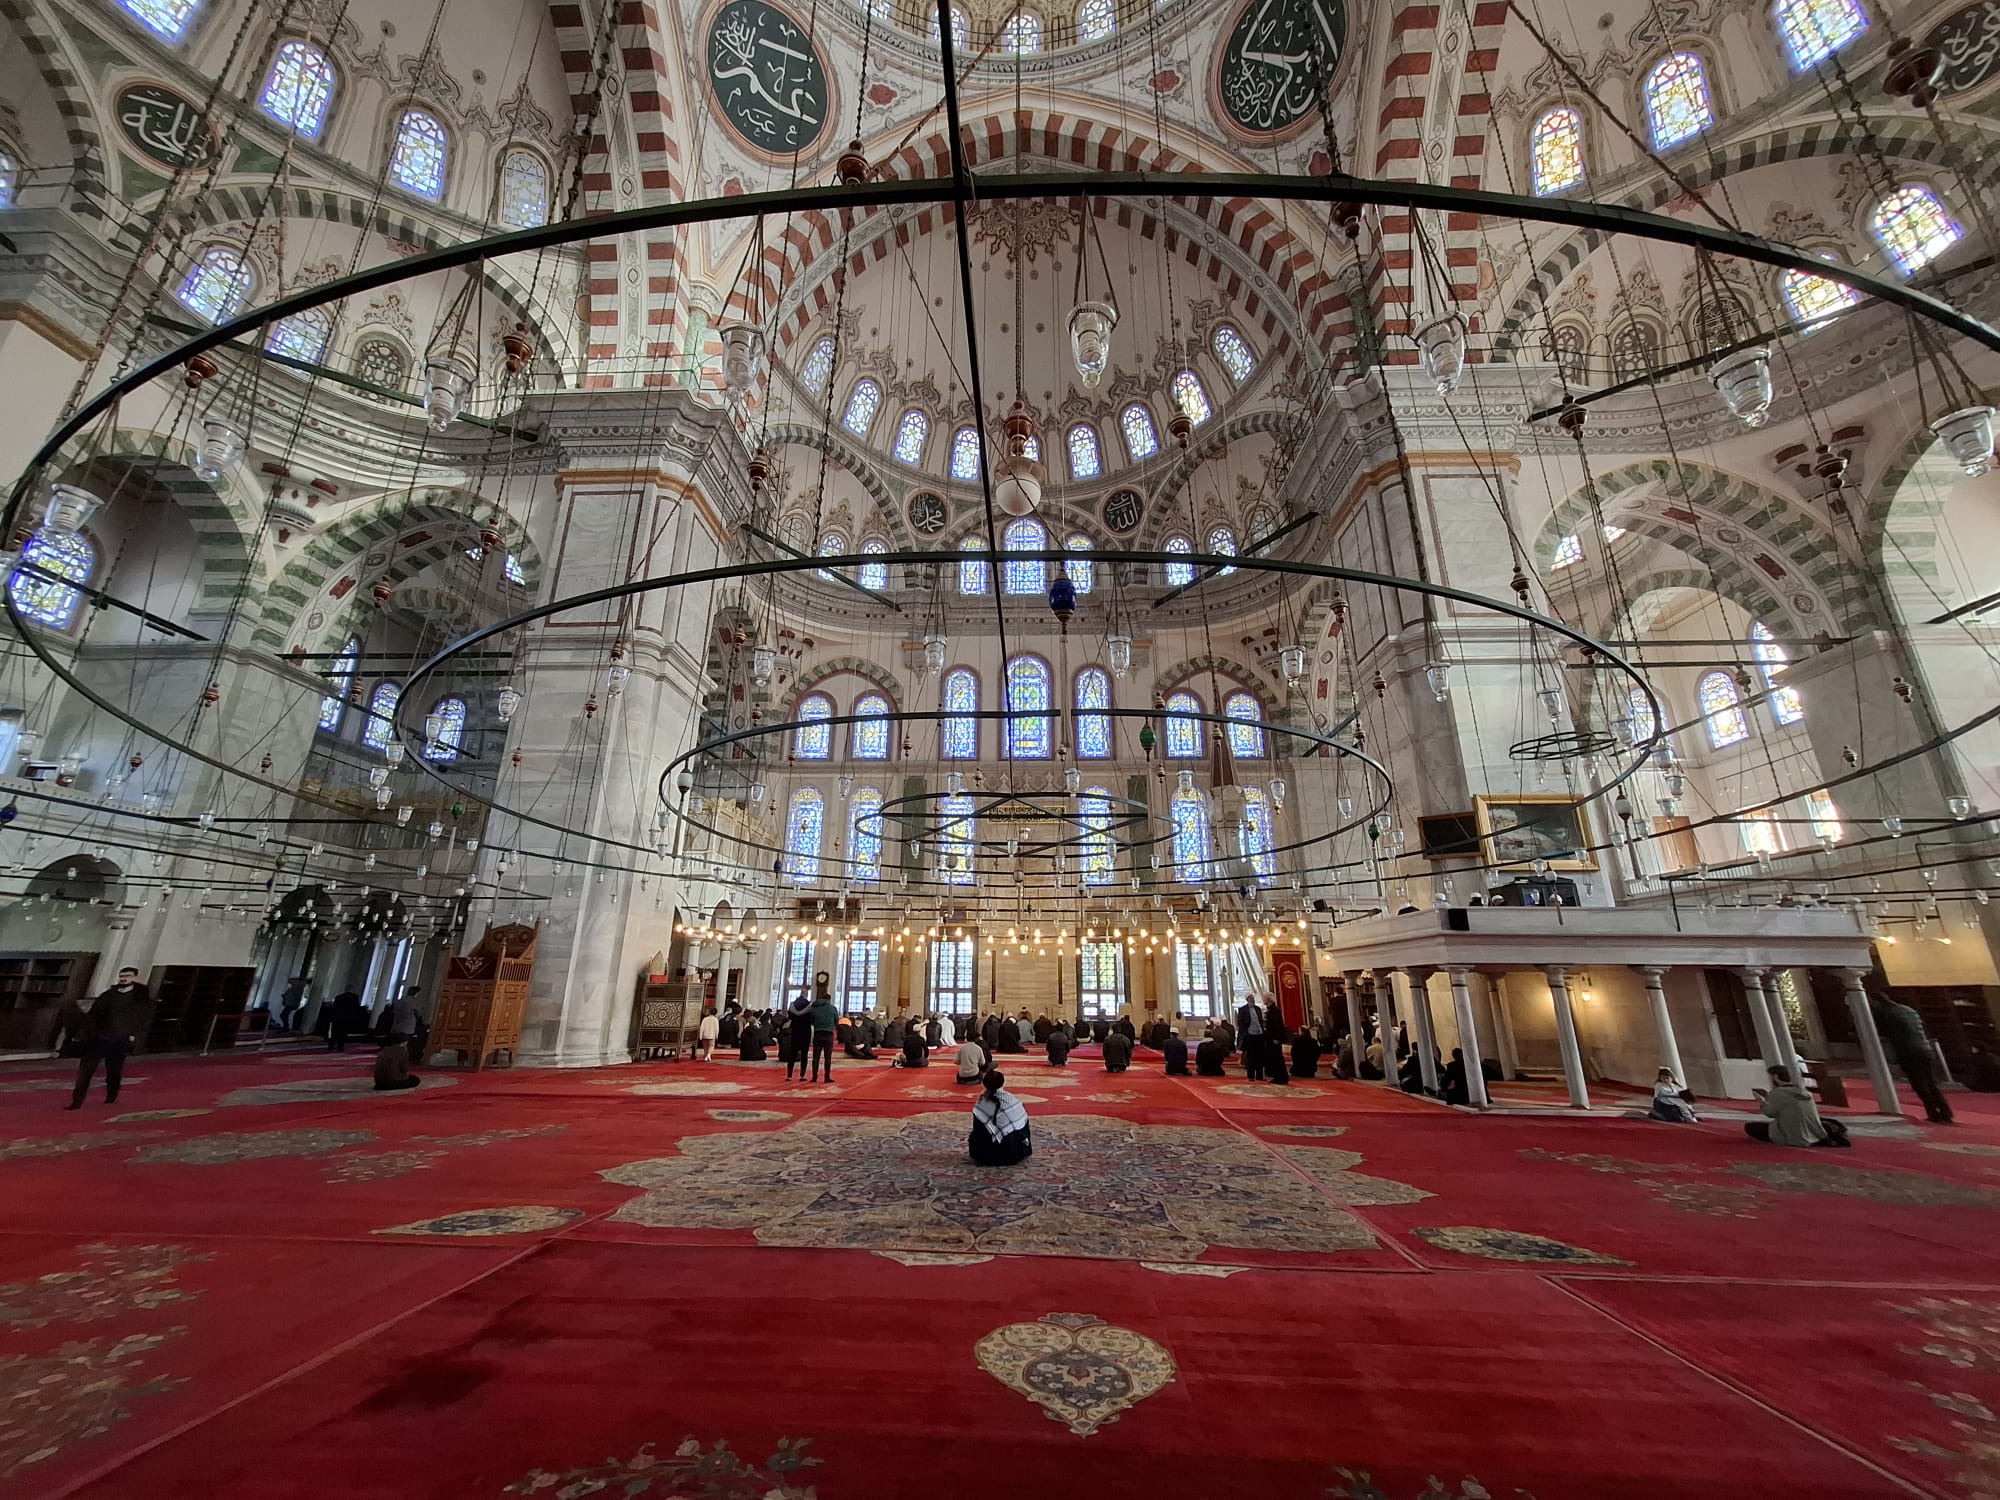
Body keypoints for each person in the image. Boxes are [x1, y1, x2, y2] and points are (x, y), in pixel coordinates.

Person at [68, 967, 152, 1110]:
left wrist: (134, 1037)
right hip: (98, 1039)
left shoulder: (140, 999)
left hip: (120, 1040)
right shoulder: (107, 996)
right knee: (85, 1071)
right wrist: (82, 1034)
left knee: (113, 1071)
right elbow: (92, 1017)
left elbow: (142, 1020)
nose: (123, 978)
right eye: (121, 975)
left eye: (128, 976)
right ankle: (77, 1101)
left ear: (135, 978)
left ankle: (111, 1095)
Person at [1874, 995, 1954, 1123]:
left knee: (1919, 1085)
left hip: (1909, 1052)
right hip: (1924, 1049)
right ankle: (1946, 1113)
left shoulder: (1889, 1014)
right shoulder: (1907, 1009)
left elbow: (1891, 1034)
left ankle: (1933, 1113)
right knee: (1931, 1083)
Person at [1745, 1065, 1849, 1147]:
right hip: (1813, 1131)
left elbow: (1770, 1113)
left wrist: (1761, 1101)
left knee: (1750, 1127)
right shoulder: (1803, 1091)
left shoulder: (1778, 1092)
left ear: (1775, 1077)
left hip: (1794, 1135)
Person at [968, 1070, 1032, 1166]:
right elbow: (1024, 1126)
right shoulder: (1013, 1100)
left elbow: (978, 1133)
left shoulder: (983, 1104)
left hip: (990, 1157)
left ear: (984, 1084)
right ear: (1003, 1082)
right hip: (1017, 1153)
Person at [808, 981, 839, 1082]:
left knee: (816, 1057)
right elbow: (836, 1022)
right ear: (829, 1000)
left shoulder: (815, 1008)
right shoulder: (833, 1008)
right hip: (828, 1034)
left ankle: (814, 1077)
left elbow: (811, 1021)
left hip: (817, 1034)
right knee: (827, 1057)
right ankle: (827, 1077)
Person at [784, 986, 815, 1081]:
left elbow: (790, 1016)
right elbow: (812, 1019)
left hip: (795, 1031)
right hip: (805, 1031)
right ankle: (802, 1075)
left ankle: (789, 1075)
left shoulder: (792, 1005)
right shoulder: (809, 1005)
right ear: (806, 995)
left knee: (792, 1053)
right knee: (804, 1054)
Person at [1237, 998, 1266, 1081]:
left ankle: (1260, 1076)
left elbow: (1260, 1021)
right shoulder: (1243, 1009)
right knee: (1251, 1056)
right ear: (1247, 1000)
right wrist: (1245, 1033)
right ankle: (1251, 1076)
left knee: (1260, 1056)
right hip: (1250, 1035)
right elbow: (1240, 1022)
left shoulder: (1258, 1009)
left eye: (1253, 998)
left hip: (1259, 1035)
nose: (1252, 1000)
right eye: (1251, 998)